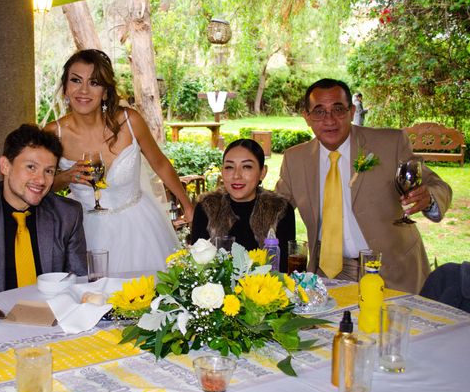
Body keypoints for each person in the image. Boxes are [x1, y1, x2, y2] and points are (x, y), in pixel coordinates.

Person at [275, 78, 452, 294]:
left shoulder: (390, 143)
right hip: (328, 275)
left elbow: (437, 185)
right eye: (319, 111)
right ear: (307, 117)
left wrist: (429, 198)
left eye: (338, 109)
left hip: (392, 271)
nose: (329, 119)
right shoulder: (295, 159)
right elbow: (274, 208)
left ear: (351, 112)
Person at [45, 49, 192, 273]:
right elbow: (40, 185)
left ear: (105, 92)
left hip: (140, 230)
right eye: (76, 80)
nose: (83, 90)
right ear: (66, 88)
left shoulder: (130, 122)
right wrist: (65, 177)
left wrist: (187, 204)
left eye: (94, 82)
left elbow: (160, 164)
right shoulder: (52, 134)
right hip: (83, 233)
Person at [0, 124, 87, 299]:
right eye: (31, 167)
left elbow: (78, 281)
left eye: (49, 171)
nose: (41, 180)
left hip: (54, 316)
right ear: (5, 166)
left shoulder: (67, 214)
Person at [191, 139, 295, 271]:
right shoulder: (207, 209)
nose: (236, 175)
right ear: (222, 171)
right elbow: (196, 266)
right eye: (229, 167)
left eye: (247, 167)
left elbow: (285, 270)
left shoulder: (279, 210)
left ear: (263, 172)